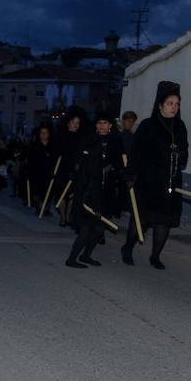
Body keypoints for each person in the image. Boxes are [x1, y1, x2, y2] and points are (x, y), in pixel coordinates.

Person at [121, 81, 188, 269]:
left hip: (171, 180)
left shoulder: (180, 126)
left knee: (164, 222)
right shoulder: (147, 125)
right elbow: (136, 152)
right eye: (170, 103)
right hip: (148, 180)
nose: (174, 107)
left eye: (177, 104)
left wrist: (180, 154)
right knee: (141, 219)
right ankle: (127, 248)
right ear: (160, 105)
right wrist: (131, 175)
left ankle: (155, 256)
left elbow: (185, 152)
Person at [64, 113, 124, 268]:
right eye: (99, 123)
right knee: (86, 227)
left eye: (105, 123)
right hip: (88, 190)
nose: (102, 126)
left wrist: (112, 167)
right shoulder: (89, 140)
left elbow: (120, 164)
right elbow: (81, 163)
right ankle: (71, 259)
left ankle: (86, 256)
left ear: (111, 125)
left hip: (105, 192)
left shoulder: (116, 142)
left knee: (98, 229)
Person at [56, 109, 84, 226]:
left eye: (78, 122)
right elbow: (57, 153)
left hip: (76, 170)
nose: (75, 125)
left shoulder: (81, 138)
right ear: (68, 123)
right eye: (73, 122)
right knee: (61, 194)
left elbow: (82, 154)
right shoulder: (61, 136)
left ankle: (68, 216)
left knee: (73, 194)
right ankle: (62, 217)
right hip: (62, 168)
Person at [25, 125, 55, 212]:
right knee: (36, 191)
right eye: (41, 133)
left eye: (45, 133)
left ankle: (45, 208)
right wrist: (28, 171)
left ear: (49, 134)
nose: (43, 135)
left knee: (47, 192)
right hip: (36, 172)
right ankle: (38, 207)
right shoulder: (34, 146)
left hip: (48, 173)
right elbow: (29, 160)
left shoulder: (53, 146)